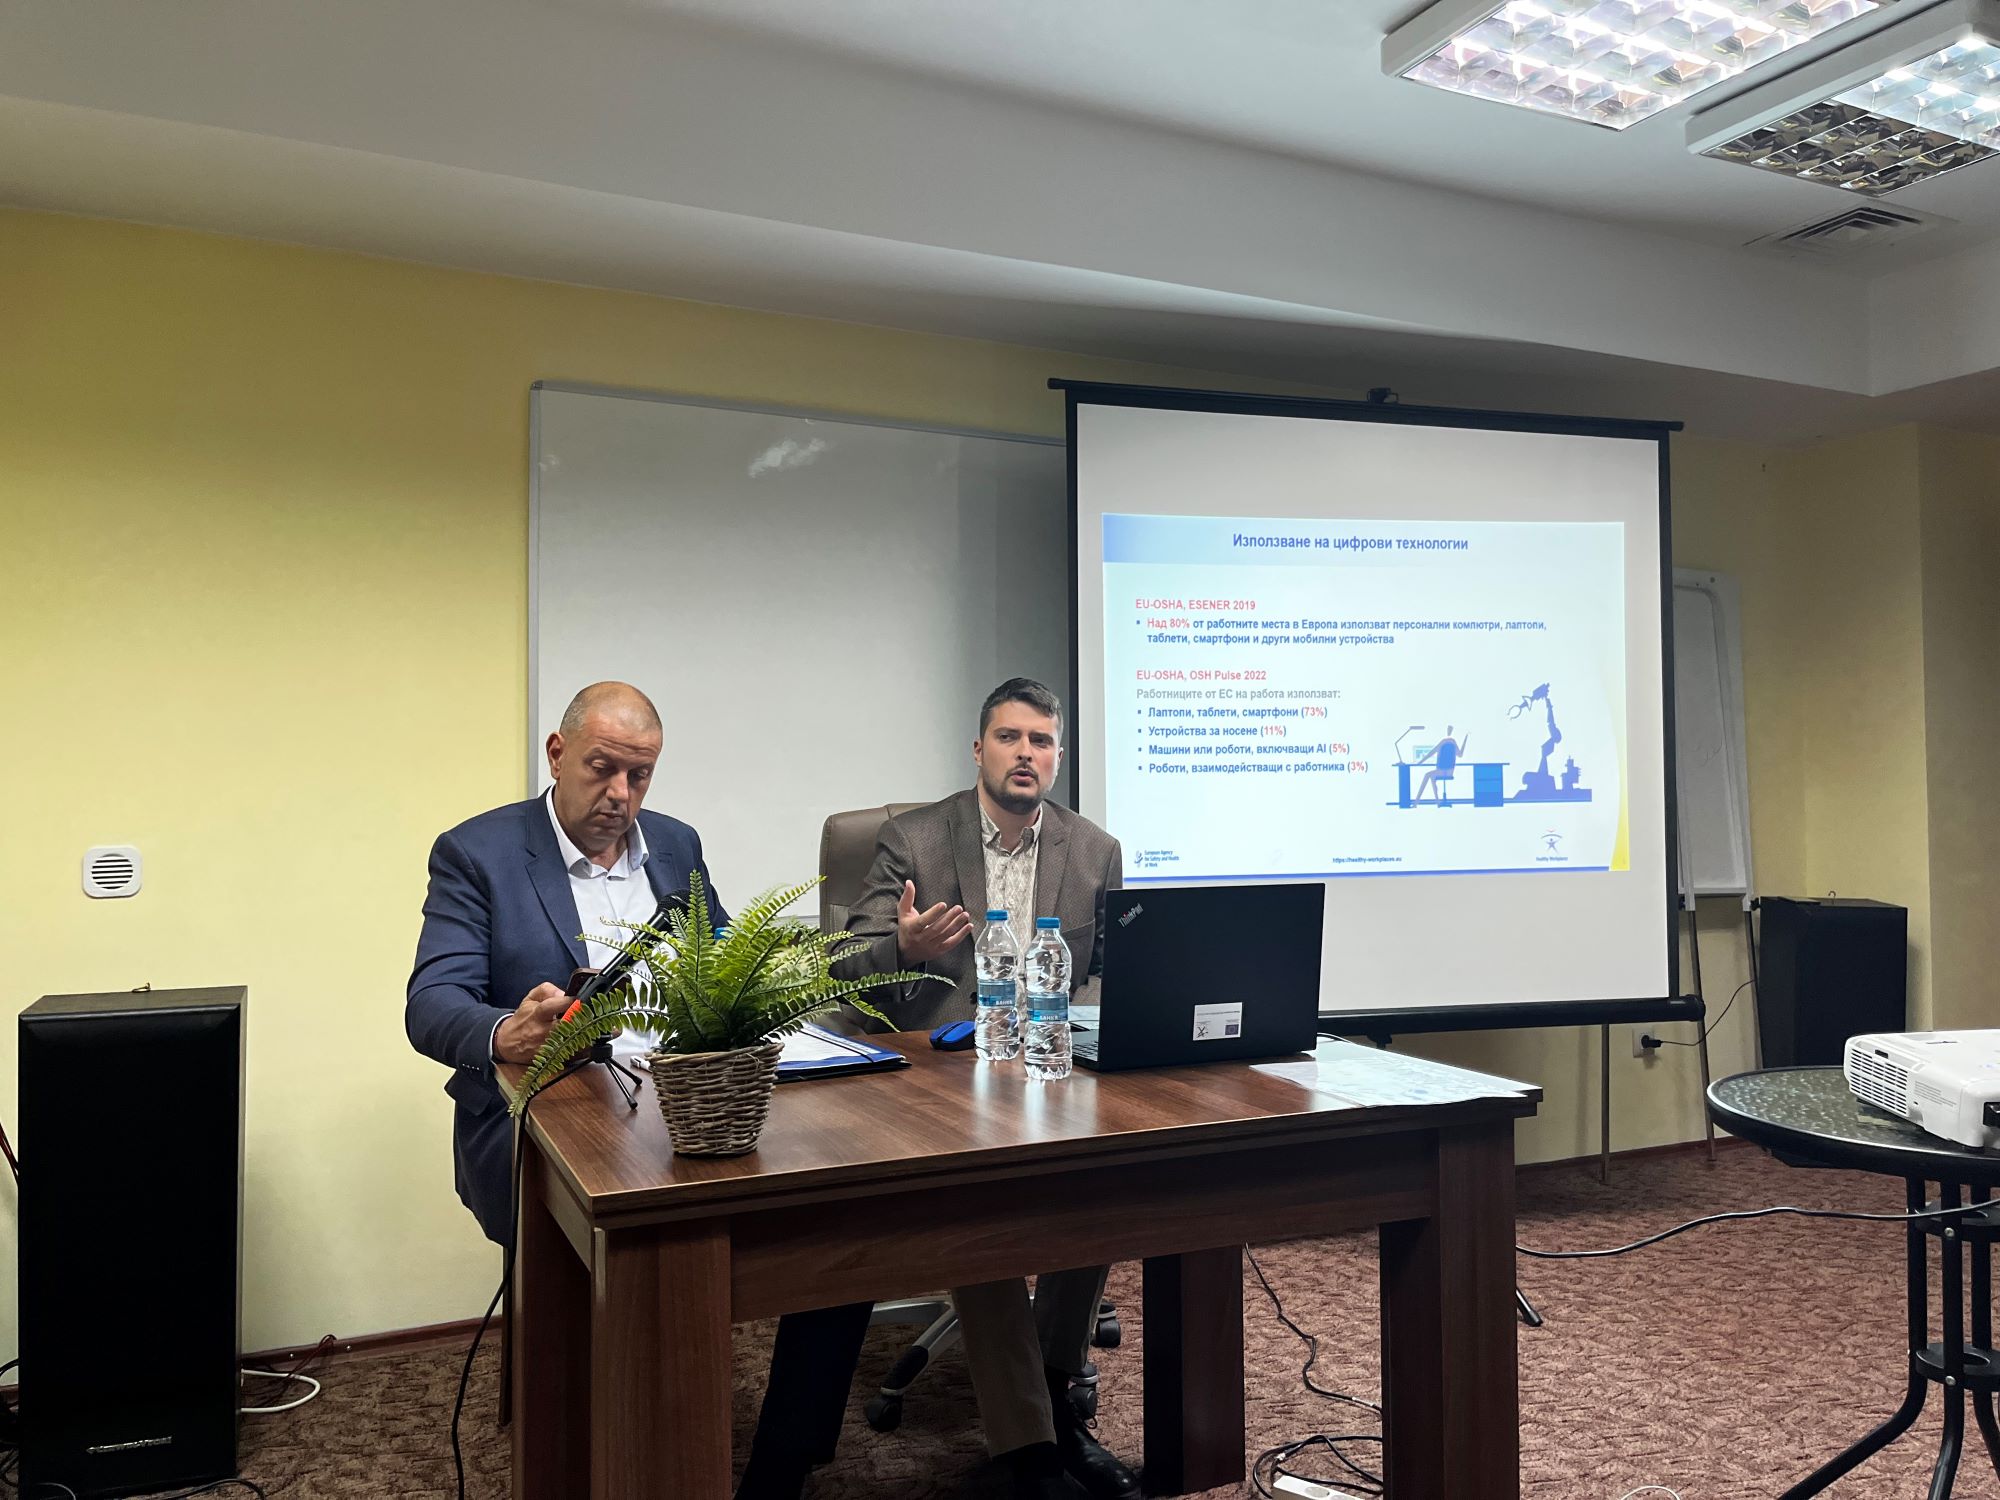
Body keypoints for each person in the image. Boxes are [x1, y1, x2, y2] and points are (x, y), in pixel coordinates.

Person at [739, 678, 1136, 1500]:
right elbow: (844, 962)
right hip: (939, 1081)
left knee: (1108, 1185)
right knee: (977, 1206)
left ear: (1058, 756)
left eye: (1041, 741)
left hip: (1051, 1070)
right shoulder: (914, 838)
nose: (1025, 753)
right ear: (979, 748)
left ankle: (1055, 1390)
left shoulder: (1095, 850)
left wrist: (1077, 1027)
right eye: (1010, 737)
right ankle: (1033, 1445)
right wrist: (906, 946)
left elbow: (1109, 974)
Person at [404, 680, 727, 1244]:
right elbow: (432, 1004)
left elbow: (725, 953)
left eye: (639, 775)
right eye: (601, 768)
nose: (620, 793)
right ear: (557, 755)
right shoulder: (477, 853)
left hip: (686, 1105)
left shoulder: (678, 844)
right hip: (554, 1113)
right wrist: (508, 1032)